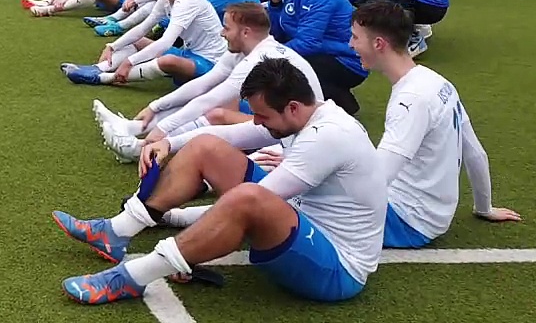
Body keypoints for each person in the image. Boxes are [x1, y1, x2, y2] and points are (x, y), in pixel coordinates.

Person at [53, 58, 384, 306]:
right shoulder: (305, 115)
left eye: (263, 116)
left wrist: (190, 246)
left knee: (248, 197)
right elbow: (228, 134)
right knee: (206, 148)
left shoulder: (327, 136)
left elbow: (250, 202)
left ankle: (132, 278)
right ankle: (116, 232)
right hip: (302, 219)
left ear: (293, 107)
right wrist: (167, 142)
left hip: (337, 268)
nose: (257, 123)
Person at [349, 0, 520, 248]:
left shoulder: (410, 101)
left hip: (406, 222)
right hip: (430, 215)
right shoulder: (437, 82)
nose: (350, 44)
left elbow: (376, 179)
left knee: (303, 200)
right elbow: (475, 153)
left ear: (378, 44)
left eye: (355, 37)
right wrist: (485, 207)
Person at [96, 2, 322, 163]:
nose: (222, 33)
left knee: (216, 114)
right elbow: (203, 84)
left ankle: (141, 147)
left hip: (295, 134)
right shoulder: (244, 51)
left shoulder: (259, 60)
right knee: (214, 112)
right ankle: (134, 131)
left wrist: (164, 128)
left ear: (245, 32)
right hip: (281, 123)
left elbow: (210, 98)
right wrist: (154, 107)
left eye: (227, 28)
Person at [62, 0, 225, 86]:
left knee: (168, 60)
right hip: (190, 54)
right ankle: (96, 69)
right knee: (138, 41)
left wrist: (129, 62)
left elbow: (165, 42)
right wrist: (112, 46)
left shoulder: (187, 1)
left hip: (211, 62)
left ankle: (103, 78)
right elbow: (142, 28)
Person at [264, 0, 368, 114]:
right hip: (326, 51)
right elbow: (280, 33)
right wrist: (275, 5)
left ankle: (341, 105)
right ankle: (337, 99)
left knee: (286, 68)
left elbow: (308, 43)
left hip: (349, 60)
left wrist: (270, 53)